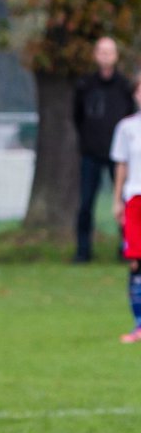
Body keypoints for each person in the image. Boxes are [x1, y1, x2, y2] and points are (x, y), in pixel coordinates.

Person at [74, 37, 136, 263]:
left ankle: (126, 248)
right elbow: (77, 117)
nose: (105, 56)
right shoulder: (85, 85)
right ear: (95, 55)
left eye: (109, 52)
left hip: (118, 155)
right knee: (86, 203)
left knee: (124, 202)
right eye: (101, 51)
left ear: (116, 55)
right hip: (91, 152)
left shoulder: (124, 87)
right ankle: (83, 251)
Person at [111, 71, 141, 343]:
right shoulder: (127, 128)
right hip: (134, 200)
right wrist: (116, 198)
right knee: (135, 262)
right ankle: (138, 325)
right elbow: (122, 165)